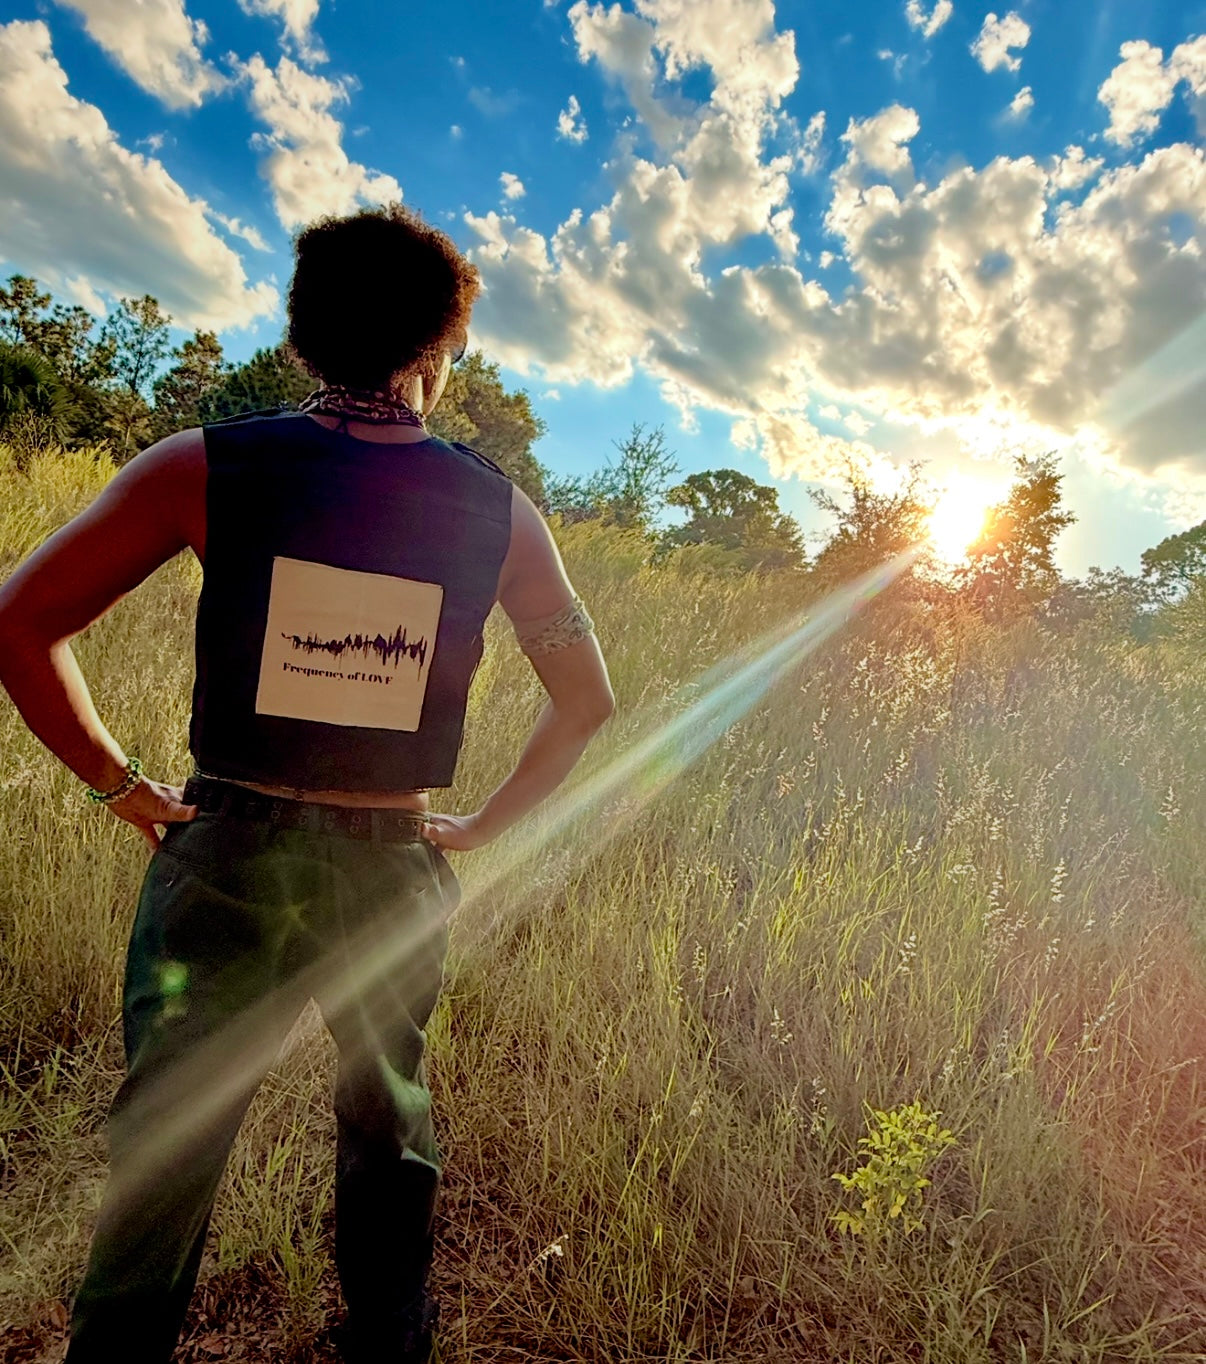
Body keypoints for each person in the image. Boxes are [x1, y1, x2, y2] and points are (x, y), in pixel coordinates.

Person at [0, 203, 614, 1364]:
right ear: (438, 349)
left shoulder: (202, 465)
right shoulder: (500, 513)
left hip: (223, 852)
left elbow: (19, 621)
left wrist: (120, 787)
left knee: (168, 1139)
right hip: (388, 869)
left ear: (301, 337)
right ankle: (388, 1339)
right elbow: (587, 700)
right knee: (389, 1132)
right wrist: (482, 823)